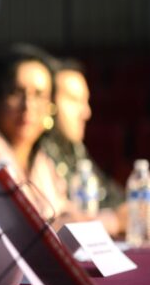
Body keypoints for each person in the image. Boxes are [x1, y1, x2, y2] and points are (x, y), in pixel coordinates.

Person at [0, 44, 97, 251]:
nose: (28, 106)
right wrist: (112, 220)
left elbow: (66, 214)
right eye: (15, 92)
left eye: (39, 94)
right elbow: (29, 229)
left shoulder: (39, 157)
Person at [40, 58, 124, 210]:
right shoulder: (37, 152)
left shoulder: (74, 148)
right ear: (49, 102)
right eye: (74, 100)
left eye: (85, 101)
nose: (86, 112)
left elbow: (111, 194)